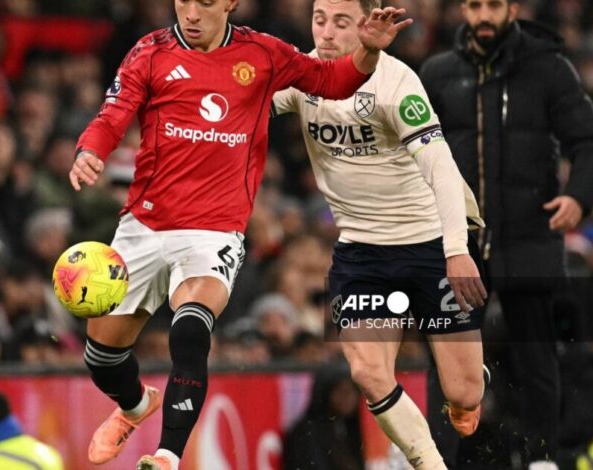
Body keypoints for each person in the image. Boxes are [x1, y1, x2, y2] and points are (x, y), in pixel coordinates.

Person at [68, 1, 413, 469]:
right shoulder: (149, 51)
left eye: (205, 2)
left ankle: (167, 455)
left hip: (213, 233)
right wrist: (90, 150)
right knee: (102, 357)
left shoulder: (264, 53)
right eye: (183, 0)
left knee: (190, 327)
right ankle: (133, 406)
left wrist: (367, 54)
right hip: (143, 225)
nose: (191, 12)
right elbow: (113, 115)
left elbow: (331, 81)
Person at [272, 0, 489, 467]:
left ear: (368, 24)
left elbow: (442, 169)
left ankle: (468, 384)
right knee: (368, 373)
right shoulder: (303, 75)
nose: (326, 34)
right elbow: (240, 97)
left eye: (341, 23)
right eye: (319, 20)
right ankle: (430, 464)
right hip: (362, 256)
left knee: (465, 396)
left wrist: (456, 251)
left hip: (430, 246)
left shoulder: (397, 84)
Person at [419, 1, 593, 468]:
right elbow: (411, 150)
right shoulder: (438, 73)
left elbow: (592, 143)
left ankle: (542, 460)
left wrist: (578, 198)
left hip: (529, 234)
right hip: (458, 244)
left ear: (513, 8)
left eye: (493, 5)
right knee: (448, 362)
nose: (482, 16)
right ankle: (436, 460)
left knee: (536, 359)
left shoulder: (548, 69)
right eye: (474, 5)